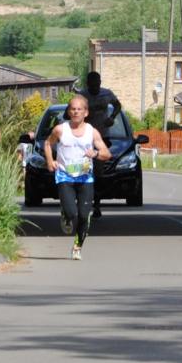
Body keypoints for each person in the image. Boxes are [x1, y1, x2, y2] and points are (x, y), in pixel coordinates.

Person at [44, 94, 110, 259]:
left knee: (84, 215)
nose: (76, 112)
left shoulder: (92, 132)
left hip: (85, 177)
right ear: (69, 112)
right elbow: (47, 143)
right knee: (72, 213)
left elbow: (106, 153)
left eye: (79, 109)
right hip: (65, 176)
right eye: (73, 109)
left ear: (86, 113)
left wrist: (95, 154)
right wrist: (50, 161)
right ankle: (66, 215)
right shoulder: (60, 129)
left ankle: (77, 247)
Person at [80, 71, 124, 220]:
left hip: (102, 137)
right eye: (92, 85)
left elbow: (118, 105)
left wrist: (112, 117)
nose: (95, 87)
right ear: (87, 84)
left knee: (98, 173)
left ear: (100, 82)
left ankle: (97, 205)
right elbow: (69, 113)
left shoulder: (107, 94)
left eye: (97, 84)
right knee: (84, 170)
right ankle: (83, 202)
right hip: (85, 139)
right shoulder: (82, 96)